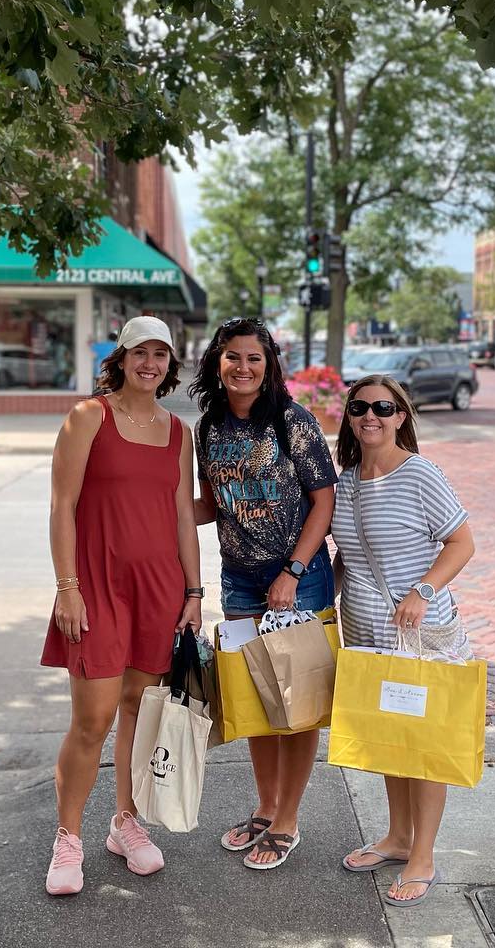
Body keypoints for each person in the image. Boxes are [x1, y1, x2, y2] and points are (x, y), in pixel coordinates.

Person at [41, 315, 203, 896]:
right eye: (141, 352)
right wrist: (67, 586)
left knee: (138, 706)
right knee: (93, 717)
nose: (150, 363)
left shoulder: (177, 430)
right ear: (121, 357)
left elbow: (184, 515)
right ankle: (68, 836)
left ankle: (125, 823)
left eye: (161, 354)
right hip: (97, 585)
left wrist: (193, 590)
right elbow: (62, 507)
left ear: (169, 365)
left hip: (159, 589)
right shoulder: (89, 417)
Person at [189, 317, 338, 871]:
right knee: (256, 697)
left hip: (297, 581)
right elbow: (213, 504)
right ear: (217, 362)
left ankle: (289, 820)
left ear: (269, 364)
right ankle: (266, 806)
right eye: (233, 357)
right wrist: (155, 510)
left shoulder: (292, 423)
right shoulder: (209, 427)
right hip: (240, 581)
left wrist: (294, 571)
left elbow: (323, 502)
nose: (243, 367)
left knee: (296, 704)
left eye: (254, 358)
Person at [330, 374, 476, 907]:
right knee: (389, 736)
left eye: (383, 408)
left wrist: (423, 588)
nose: (371, 416)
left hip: (419, 633)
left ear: (401, 417)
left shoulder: (420, 475)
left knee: (425, 745)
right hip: (365, 630)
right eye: (360, 407)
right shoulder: (346, 481)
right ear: (348, 416)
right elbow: (349, 552)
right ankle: (397, 837)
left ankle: (423, 856)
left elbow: (462, 542)